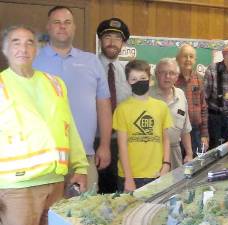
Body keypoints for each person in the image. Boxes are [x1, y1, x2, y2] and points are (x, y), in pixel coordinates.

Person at [0, 25, 88, 225]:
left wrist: (81, 167)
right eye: (16, 42)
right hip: (16, 189)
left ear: (37, 49)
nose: (23, 48)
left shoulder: (55, 83)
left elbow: (69, 128)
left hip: (55, 183)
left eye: (29, 43)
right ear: (5, 50)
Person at [33, 6, 112, 190]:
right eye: (57, 22)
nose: (62, 26)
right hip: (43, 157)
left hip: (84, 157)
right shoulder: (33, 60)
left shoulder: (92, 61)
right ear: (48, 27)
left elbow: (104, 106)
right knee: (46, 216)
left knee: (84, 214)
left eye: (67, 22)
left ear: (74, 27)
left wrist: (105, 145)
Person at [113, 59, 173, 192]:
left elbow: (165, 139)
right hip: (129, 177)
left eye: (142, 78)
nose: (139, 81)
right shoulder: (122, 109)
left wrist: (166, 165)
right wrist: (128, 178)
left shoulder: (161, 107)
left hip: (156, 174)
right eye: (133, 79)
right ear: (128, 81)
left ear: (150, 79)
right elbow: (122, 146)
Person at [96, 17, 132, 193]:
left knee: (119, 190)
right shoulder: (90, 67)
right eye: (108, 37)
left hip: (122, 143)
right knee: (96, 192)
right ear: (101, 40)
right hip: (95, 142)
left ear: (123, 43)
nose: (112, 43)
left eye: (117, 39)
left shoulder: (129, 72)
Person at [150, 58, 193, 170]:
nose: (167, 76)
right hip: (152, 153)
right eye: (163, 72)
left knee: (175, 185)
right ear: (156, 74)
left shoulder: (181, 95)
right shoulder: (147, 95)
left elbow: (185, 129)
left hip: (175, 152)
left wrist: (189, 153)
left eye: (171, 73)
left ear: (177, 76)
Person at [175, 44, 209, 155]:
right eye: (185, 56)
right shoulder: (172, 79)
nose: (188, 59)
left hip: (196, 132)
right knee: (177, 168)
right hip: (177, 132)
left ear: (195, 60)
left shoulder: (199, 79)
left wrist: (204, 134)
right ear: (178, 58)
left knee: (195, 167)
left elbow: (203, 108)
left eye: (191, 56)